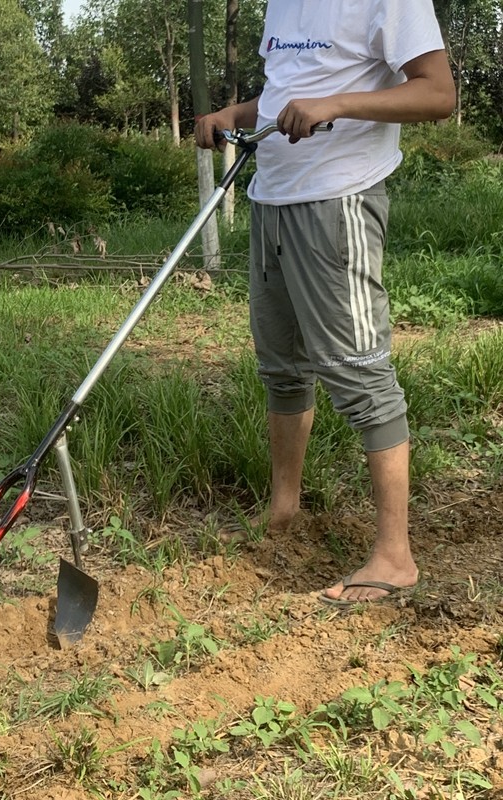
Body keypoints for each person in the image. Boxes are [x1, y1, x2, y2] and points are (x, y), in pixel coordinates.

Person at [194, 0, 456, 605]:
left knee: (360, 373)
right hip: (273, 201)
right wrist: (229, 115)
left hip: (337, 202)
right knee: (282, 367)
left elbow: (438, 94)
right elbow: (286, 92)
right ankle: (283, 508)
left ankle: (394, 557)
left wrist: (336, 105)